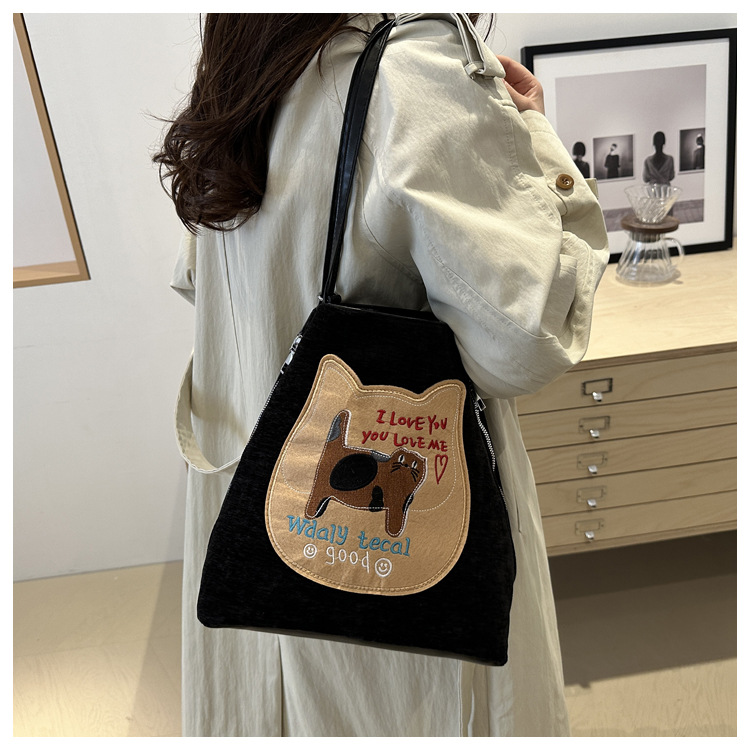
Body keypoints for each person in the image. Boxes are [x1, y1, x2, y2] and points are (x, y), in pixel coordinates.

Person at [155, 13, 608, 737]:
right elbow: (526, 340)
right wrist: (534, 140)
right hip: (387, 585)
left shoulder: (244, 61)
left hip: (250, 507)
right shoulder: (412, 71)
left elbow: (196, 280)